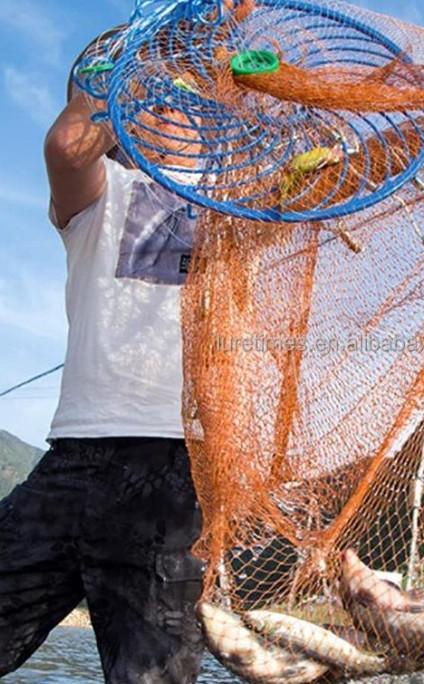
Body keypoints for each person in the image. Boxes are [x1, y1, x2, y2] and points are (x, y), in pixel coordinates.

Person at [0, 36, 209, 683]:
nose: (169, 107)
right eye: (149, 96)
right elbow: (68, 147)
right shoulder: (100, 194)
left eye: (184, 99)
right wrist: (114, 67)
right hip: (73, 460)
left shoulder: (245, 207)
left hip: (176, 474)